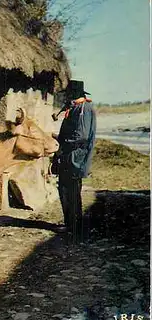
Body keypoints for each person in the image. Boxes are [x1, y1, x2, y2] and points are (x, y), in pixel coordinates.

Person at [53, 80, 97, 241]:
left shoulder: (84, 109)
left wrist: (61, 142)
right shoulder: (76, 108)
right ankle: (71, 224)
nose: (66, 97)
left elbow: (82, 136)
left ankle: (74, 226)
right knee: (66, 189)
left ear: (74, 94)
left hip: (75, 156)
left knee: (71, 190)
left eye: (68, 94)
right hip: (69, 155)